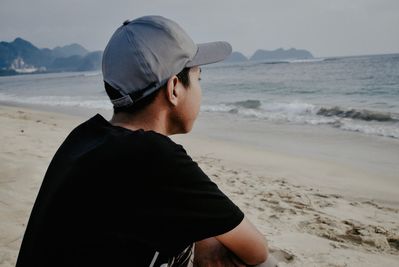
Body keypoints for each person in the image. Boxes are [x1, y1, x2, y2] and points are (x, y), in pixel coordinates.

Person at [16, 15, 277, 266]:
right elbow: (256, 250)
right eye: (198, 78)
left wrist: (202, 234)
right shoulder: (154, 155)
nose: (200, 90)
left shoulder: (85, 136)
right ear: (174, 88)